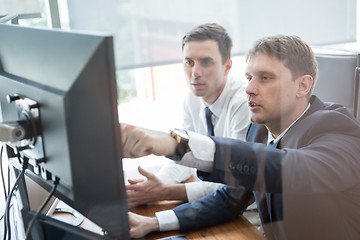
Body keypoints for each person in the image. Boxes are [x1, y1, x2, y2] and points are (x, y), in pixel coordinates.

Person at [121, 35, 360, 239]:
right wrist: (153, 222)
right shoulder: (259, 130)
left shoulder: (337, 129)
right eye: (249, 77)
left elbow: (287, 167)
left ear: (302, 86)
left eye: (265, 77)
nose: (249, 88)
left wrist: (178, 145)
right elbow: (231, 198)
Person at [126, 23, 250, 208]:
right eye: (189, 62)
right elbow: (182, 157)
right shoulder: (192, 100)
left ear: (227, 66)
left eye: (206, 62)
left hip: (243, 213)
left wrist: (164, 191)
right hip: (210, 203)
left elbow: (235, 184)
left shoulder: (244, 105)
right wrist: (152, 185)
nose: (195, 73)